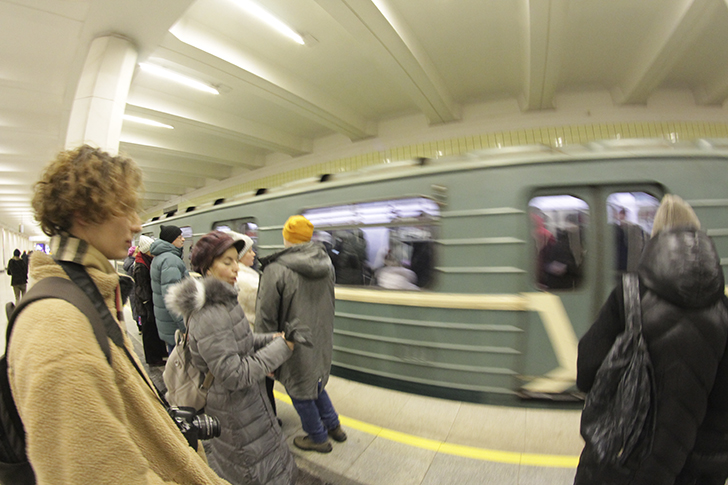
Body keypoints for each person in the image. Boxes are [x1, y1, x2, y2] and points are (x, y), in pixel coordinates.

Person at [8, 145, 229, 484]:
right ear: (84, 213)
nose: (137, 224)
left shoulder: (83, 295)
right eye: (125, 209)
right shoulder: (59, 327)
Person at [575, 194, 728, 485]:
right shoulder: (723, 308)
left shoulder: (628, 295)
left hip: (626, 461)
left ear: (656, 237)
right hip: (699, 471)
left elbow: (586, 373)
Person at [165, 231, 297, 485]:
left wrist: (271, 339)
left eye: (236, 260)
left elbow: (240, 341)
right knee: (253, 472)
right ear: (208, 268)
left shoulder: (225, 300)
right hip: (234, 412)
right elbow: (234, 375)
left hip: (246, 406)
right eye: (227, 262)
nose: (236, 267)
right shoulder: (210, 313)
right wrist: (283, 348)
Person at [256, 215, 347, 453]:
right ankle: (334, 426)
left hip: (292, 340)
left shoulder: (275, 269)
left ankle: (318, 437)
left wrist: (265, 354)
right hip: (320, 335)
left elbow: (266, 316)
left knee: (298, 388)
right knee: (314, 382)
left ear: (286, 237)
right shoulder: (326, 264)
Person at [150, 224, 188, 350]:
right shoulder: (170, 260)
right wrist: (184, 327)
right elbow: (172, 298)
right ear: (171, 239)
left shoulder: (160, 257)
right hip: (175, 324)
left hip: (167, 321)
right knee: (179, 357)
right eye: (179, 237)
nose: (183, 239)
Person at [133, 235, 168, 366]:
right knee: (149, 331)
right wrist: (147, 304)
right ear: (146, 250)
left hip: (149, 302)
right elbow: (142, 289)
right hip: (145, 304)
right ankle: (152, 358)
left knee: (154, 329)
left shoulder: (146, 261)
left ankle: (160, 352)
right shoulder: (141, 266)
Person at [123, 245, 141, 333]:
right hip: (136, 289)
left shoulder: (128, 262)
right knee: (138, 308)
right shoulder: (134, 264)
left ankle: (139, 326)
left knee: (134, 307)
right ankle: (140, 326)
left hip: (132, 290)